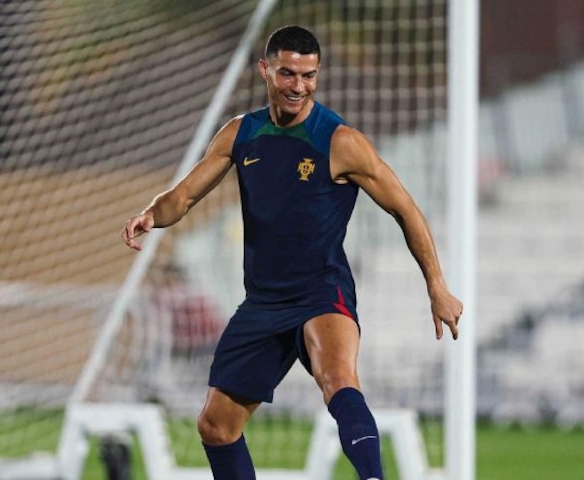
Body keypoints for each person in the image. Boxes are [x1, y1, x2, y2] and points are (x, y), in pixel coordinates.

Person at [122, 25, 463, 480]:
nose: (299, 86)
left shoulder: (341, 141)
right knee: (216, 426)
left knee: (337, 379)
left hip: (321, 292)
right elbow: (183, 197)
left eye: (309, 75)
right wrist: (151, 214)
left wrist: (436, 286)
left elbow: (407, 211)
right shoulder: (241, 134)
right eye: (288, 74)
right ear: (265, 70)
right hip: (262, 302)